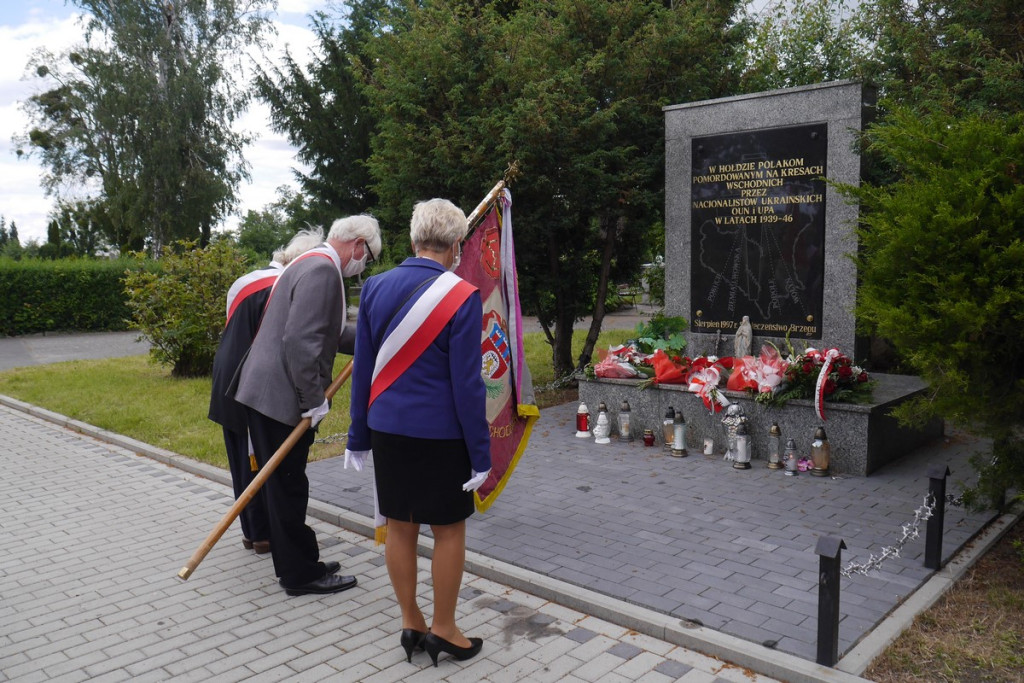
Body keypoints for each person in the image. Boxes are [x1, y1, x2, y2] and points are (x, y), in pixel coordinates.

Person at [345, 198, 491, 666]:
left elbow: (363, 369)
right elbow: (468, 386)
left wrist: (356, 436)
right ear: (456, 246)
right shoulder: (463, 295)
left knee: (400, 528)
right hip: (441, 435)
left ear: (412, 240)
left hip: (388, 430)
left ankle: (411, 621)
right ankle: (444, 629)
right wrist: (481, 453)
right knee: (448, 532)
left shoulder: (375, 287)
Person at [232, 215, 381, 596]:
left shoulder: (310, 261)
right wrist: (313, 400)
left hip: (266, 390)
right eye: (367, 257)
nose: (362, 266)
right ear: (358, 245)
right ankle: (300, 574)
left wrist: (373, 336)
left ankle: (302, 559)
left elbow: (326, 332)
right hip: (279, 397)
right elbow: (300, 343)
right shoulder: (322, 271)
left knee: (286, 485)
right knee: (287, 487)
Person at [208, 228, 325, 555]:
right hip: (258, 386)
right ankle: (265, 534)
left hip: (226, 376)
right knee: (265, 462)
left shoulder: (244, 282)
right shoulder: (293, 286)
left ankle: (253, 531)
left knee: (242, 460)